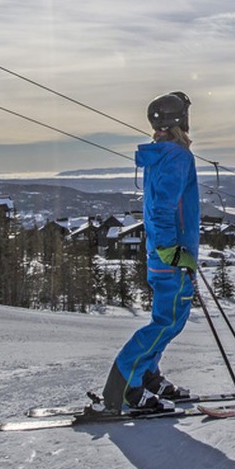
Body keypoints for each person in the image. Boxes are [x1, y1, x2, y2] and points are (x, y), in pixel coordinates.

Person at [97, 91, 200, 413]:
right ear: (181, 120)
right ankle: (125, 384)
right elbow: (160, 209)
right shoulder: (177, 157)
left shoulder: (162, 155)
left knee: (168, 319)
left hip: (166, 253)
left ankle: (147, 375)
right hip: (170, 254)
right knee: (167, 323)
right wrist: (171, 250)